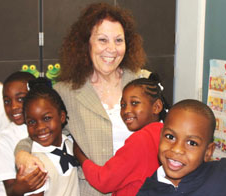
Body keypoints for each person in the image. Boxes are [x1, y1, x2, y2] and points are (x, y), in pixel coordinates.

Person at [15, 2, 150, 196]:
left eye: (119, 40)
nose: (111, 49)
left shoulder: (141, 83)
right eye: (102, 40)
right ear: (86, 43)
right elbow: (35, 132)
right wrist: (21, 155)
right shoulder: (66, 92)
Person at [74, 74, 170, 196]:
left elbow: (103, 181)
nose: (126, 110)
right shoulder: (165, 134)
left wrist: (80, 156)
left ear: (156, 107)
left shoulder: (141, 140)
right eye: (123, 105)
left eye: (134, 103)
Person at [136, 99, 226, 196]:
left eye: (192, 143)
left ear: (208, 152)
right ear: (160, 137)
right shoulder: (148, 191)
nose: (177, 149)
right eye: (170, 137)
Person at [22, 78, 80, 196]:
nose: (40, 127)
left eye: (47, 118)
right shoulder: (35, 165)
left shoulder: (70, 143)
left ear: (62, 117)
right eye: (32, 122)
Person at [0, 72, 47, 196]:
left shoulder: (48, 129)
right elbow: (10, 191)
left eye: (20, 99)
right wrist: (24, 185)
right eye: (7, 101)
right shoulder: (4, 140)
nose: (14, 107)